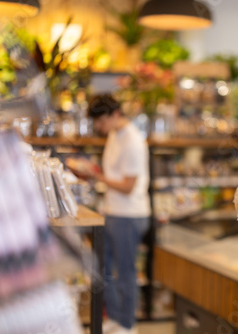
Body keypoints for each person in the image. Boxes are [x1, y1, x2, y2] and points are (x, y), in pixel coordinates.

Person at [87, 94, 151, 334]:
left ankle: (127, 324)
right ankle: (114, 316)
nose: (98, 127)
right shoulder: (114, 134)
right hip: (113, 211)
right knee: (103, 269)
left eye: (101, 121)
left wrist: (97, 177)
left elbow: (128, 186)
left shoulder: (133, 141)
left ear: (115, 115)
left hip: (130, 215)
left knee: (126, 271)